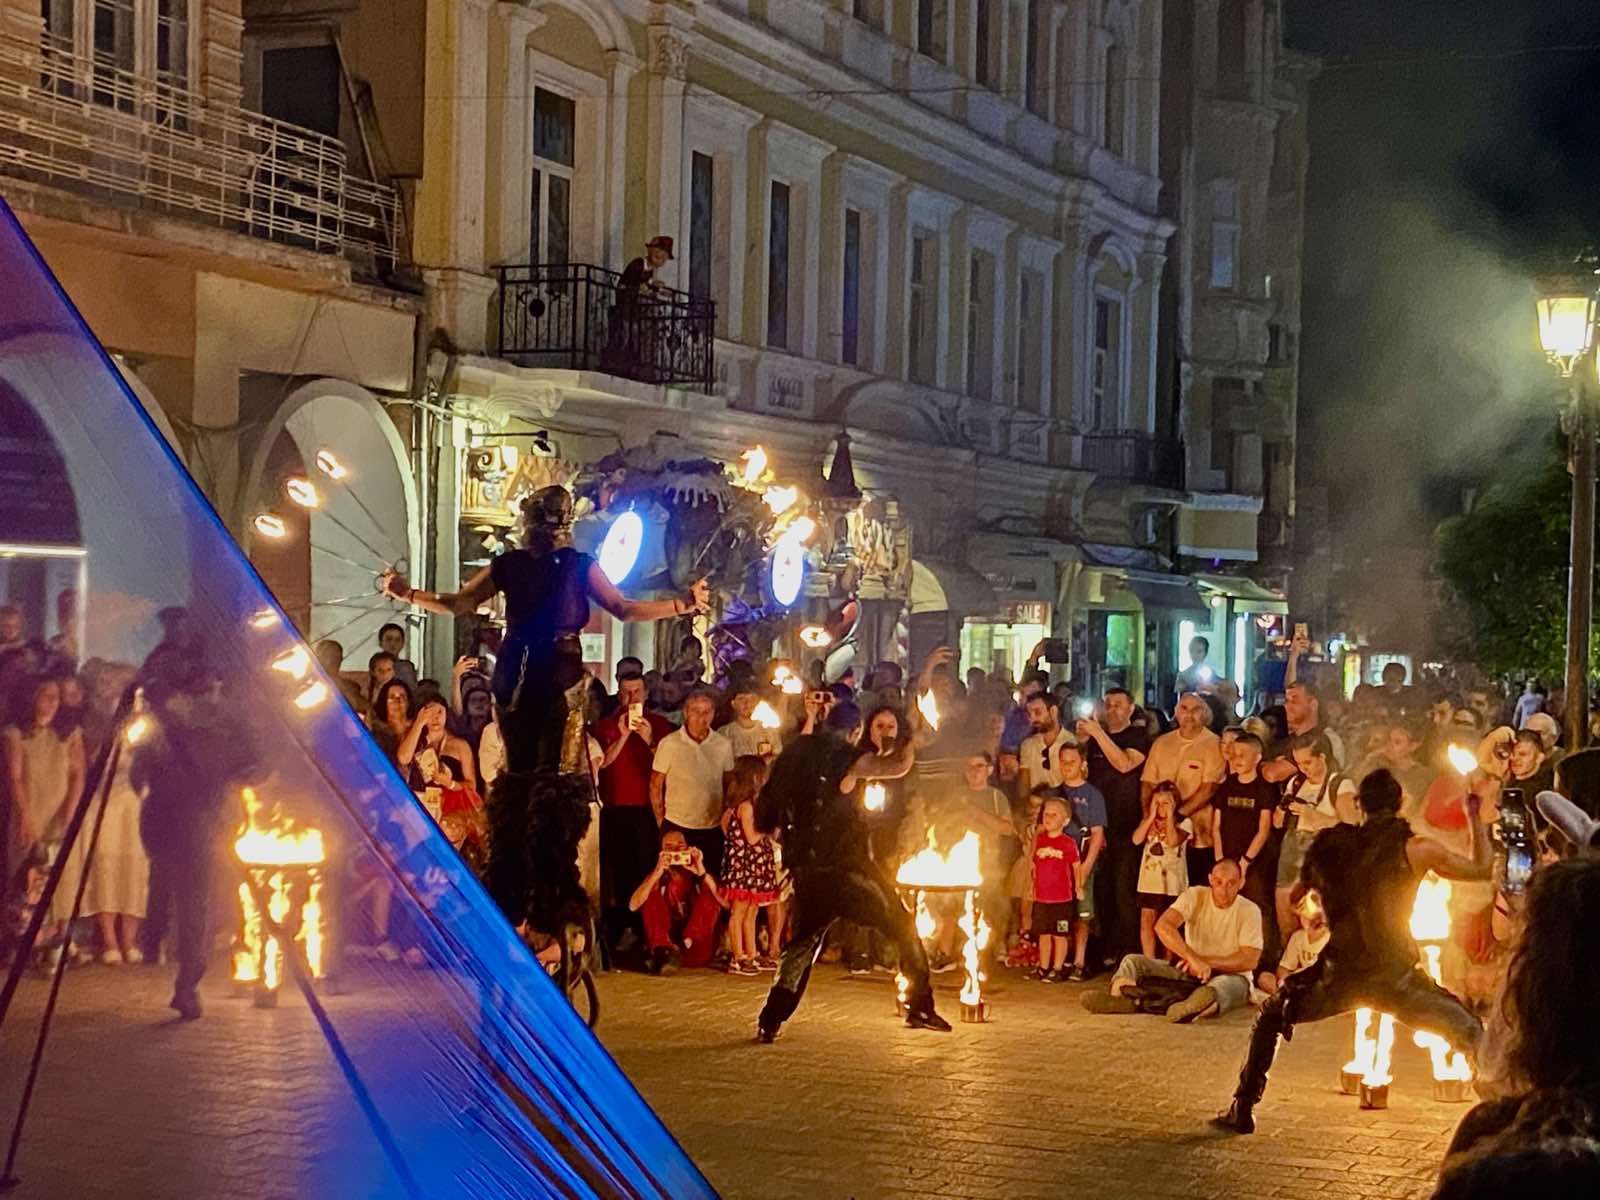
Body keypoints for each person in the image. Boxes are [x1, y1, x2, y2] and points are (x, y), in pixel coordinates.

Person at [380, 485, 706, 942]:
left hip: (519, 673)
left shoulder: (519, 564)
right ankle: (545, 899)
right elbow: (624, 609)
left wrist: (406, 594)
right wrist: (682, 604)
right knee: (551, 781)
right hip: (552, 674)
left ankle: (522, 897)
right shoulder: (572, 565)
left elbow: (459, 604)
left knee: (523, 782)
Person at [1212, 769, 1493, 1134]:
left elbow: (1297, 898)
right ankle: (1500, 1114)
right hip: (1396, 979)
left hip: (1339, 975)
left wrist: (1324, 905)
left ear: (1360, 805)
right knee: (1471, 1031)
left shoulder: (1331, 847)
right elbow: (1481, 868)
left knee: (1270, 1016)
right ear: (1400, 803)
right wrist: (1474, 816)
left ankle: (1243, 1105)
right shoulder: (1417, 849)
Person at [754, 720, 950, 1041]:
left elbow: (765, 821)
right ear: (852, 731)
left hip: (808, 873)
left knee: (801, 946)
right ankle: (920, 1005)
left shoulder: (790, 760)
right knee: (902, 924)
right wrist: (910, 738)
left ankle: (770, 1020)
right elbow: (897, 766)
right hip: (847, 871)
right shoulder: (839, 757)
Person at [1085, 859, 1263, 1024]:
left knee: (1220, 988)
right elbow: (1163, 926)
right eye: (1219, 882)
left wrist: (1205, 962)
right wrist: (1192, 959)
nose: (1224, 890)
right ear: (1210, 879)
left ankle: (1180, 1006)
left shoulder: (1249, 910)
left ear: (1241, 883)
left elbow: (1250, 960)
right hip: (1190, 971)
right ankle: (1120, 998)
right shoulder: (1195, 895)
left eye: (1231, 884)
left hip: (1231, 976)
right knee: (1132, 962)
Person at [591, 669, 675, 951]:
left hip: (647, 809)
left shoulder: (660, 725)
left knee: (645, 868)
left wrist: (649, 740)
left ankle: (645, 931)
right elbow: (602, 763)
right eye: (626, 692)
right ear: (618, 694)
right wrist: (624, 735)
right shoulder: (605, 726)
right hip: (613, 807)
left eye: (637, 691)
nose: (631, 698)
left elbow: (668, 766)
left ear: (646, 693)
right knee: (617, 871)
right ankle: (620, 927)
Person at [3, 678, 86, 946]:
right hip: (31, 813)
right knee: (29, 879)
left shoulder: (69, 734)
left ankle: (59, 940)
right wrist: (25, 817)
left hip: (59, 816)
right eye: (45, 696)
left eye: (56, 697)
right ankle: (28, 940)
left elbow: (78, 775)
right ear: (32, 698)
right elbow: (15, 777)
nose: (52, 702)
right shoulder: (16, 734)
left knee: (62, 877)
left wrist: (70, 811)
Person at [1077, 688, 1150, 962]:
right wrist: (1083, 741)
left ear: (1131, 708)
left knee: (1124, 889)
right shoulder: (1095, 740)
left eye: (1119, 704)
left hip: (1126, 824)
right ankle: (1104, 948)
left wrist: (1098, 734)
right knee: (1102, 889)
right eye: (1107, 704)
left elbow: (1124, 764)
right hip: (1099, 824)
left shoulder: (1138, 737)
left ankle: (1127, 950)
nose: (1112, 709)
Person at [1273, 732, 1356, 940]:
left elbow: (1350, 827)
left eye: (1308, 762)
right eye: (1299, 763)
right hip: (1291, 857)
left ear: (1322, 757)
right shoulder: (1295, 783)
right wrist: (1282, 810)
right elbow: (1277, 823)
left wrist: (1314, 816)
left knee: (1318, 920)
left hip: (1321, 860)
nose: (1303, 768)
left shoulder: (1340, 784)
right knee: (1285, 912)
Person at [650, 690, 735, 875]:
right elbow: (656, 785)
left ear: (713, 714)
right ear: (686, 712)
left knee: (710, 876)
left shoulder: (723, 745)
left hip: (711, 826)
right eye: (696, 711)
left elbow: (728, 784)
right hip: (676, 824)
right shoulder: (669, 743)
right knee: (676, 879)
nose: (701, 717)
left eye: (706, 712)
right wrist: (661, 822)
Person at [1144, 693, 1226, 884]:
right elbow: (1147, 783)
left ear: (1205, 714)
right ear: (1175, 712)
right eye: (1184, 708)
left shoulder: (1214, 744)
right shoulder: (1161, 743)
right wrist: (1149, 818)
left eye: (1196, 709)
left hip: (1198, 835)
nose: (1189, 714)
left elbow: (1209, 789)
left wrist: (1176, 817)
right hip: (1160, 835)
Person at [628, 829, 724, 974]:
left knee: (710, 896)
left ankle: (688, 939)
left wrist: (702, 872)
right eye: (669, 847)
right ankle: (665, 950)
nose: (676, 852)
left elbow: (726, 904)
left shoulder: (697, 874)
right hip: (668, 952)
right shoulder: (660, 876)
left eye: (680, 846)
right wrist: (656, 873)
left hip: (695, 949)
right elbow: (633, 905)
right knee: (651, 897)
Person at [1210, 732, 1276, 935]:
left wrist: (1245, 862)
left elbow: (1263, 830)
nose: (1236, 759)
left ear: (1257, 758)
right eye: (1234, 754)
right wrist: (1220, 861)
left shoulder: (1264, 789)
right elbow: (1216, 826)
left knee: (1257, 905)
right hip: (1226, 857)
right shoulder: (1227, 785)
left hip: (1255, 862)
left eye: (1242, 755)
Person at [719, 755, 778, 976]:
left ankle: (751, 953)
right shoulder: (745, 807)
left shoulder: (753, 804)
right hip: (745, 866)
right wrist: (768, 827)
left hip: (755, 864)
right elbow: (752, 838)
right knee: (739, 910)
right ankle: (738, 956)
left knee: (752, 910)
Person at [1052, 742, 1106, 981]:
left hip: (1082, 861)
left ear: (1083, 764)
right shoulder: (1053, 794)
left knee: (1083, 914)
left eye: (1072, 762)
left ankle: (1080, 961)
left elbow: (1097, 833)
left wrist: (1086, 866)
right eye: (1063, 761)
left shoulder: (1093, 795)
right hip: (1056, 866)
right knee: (1061, 913)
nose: (1067, 766)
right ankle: (1061, 959)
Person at [1132, 782, 1190, 956]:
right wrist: (1150, 817)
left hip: (1173, 883)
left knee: (1168, 923)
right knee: (1147, 920)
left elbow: (1172, 841)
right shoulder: (1147, 822)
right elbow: (1136, 840)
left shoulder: (1185, 823)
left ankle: (1167, 962)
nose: (1161, 807)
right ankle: (1149, 960)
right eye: (1156, 803)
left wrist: (1170, 817)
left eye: (1166, 803)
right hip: (1149, 882)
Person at [1027, 795, 1079, 982]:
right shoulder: (1040, 841)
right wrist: (1031, 887)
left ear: (1065, 821)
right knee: (1044, 934)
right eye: (1046, 814)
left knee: (1060, 934)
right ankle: (1043, 966)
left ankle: (1058, 968)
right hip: (1042, 899)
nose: (1048, 818)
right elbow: (1033, 867)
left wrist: (1079, 887)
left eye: (1054, 815)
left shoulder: (1068, 843)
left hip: (1061, 900)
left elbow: (1076, 866)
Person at [1256, 899, 1327, 997]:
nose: (1309, 918)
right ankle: (1282, 996)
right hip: (1295, 982)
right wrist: (1283, 980)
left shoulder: (1329, 936)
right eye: (1303, 914)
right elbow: (1284, 967)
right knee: (1264, 978)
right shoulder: (1298, 937)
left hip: (1316, 981)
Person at [1018, 692, 1075, 797]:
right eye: (1029, 714)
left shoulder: (1071, 742)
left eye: (1037, 712)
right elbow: (1024, 781)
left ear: (1053, 711)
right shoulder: (1028, 745)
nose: (1032, 719)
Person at [377, 622, 419, 688]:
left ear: (403, 643)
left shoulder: (406, 668)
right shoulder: (375, 664)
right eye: (389, 639)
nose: (393, 643)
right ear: (380, 642)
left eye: (397, 640)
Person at [1174, 636, 1215, 702]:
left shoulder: (1211, 674)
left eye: (1199, 651)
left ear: (1205, 653)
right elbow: (1179, 694)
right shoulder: (1183, 675)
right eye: (1192, 650)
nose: (1195, 654)